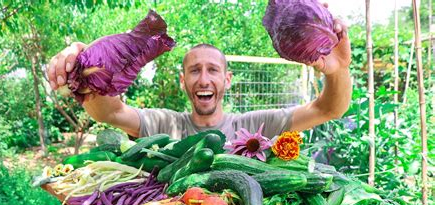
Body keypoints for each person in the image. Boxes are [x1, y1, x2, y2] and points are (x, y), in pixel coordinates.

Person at [47, 21, 351, 141]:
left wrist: (337, 69)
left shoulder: (259, 125)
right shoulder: (164, 124)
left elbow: (329, 109)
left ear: (227, 80)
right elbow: (108, 112)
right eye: (194, 71)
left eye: (213, 70)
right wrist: (86, 67)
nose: (203, 79)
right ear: (183, 81)